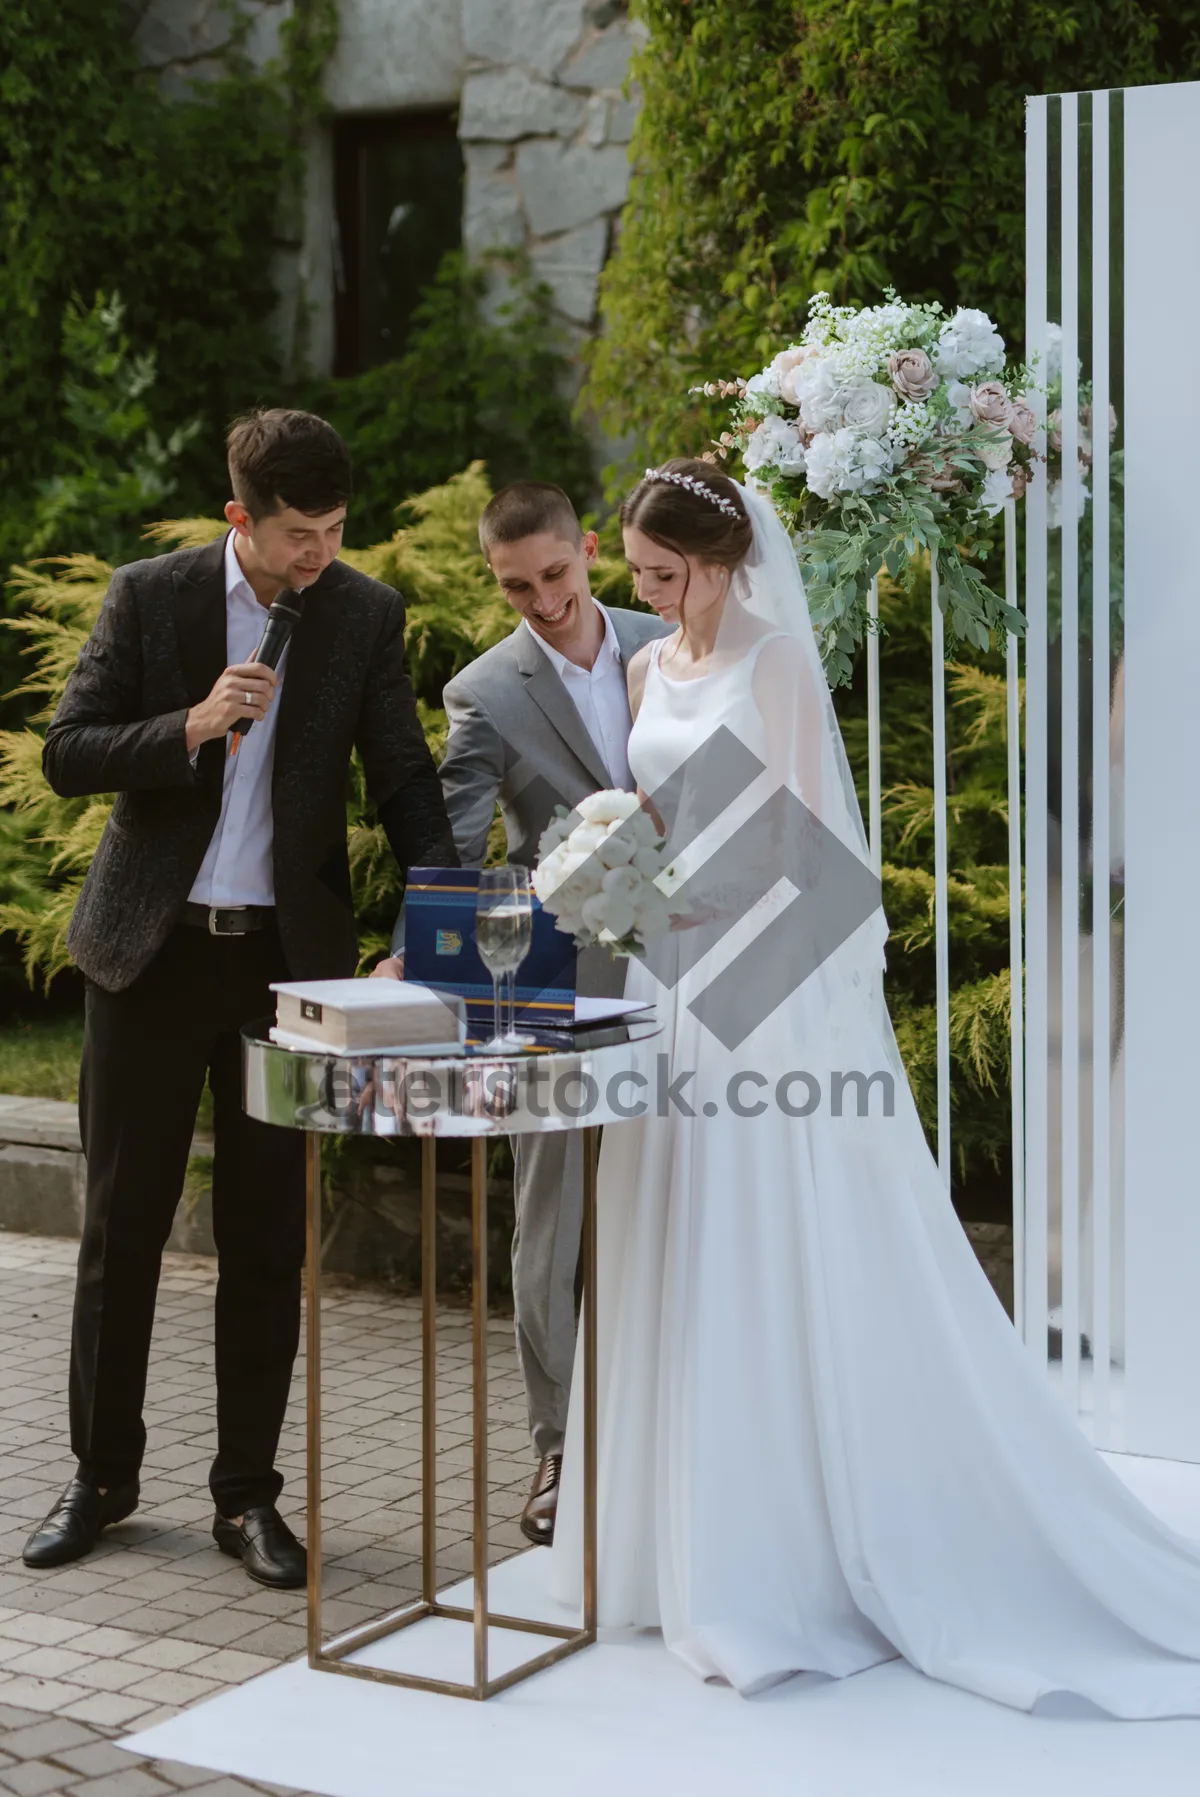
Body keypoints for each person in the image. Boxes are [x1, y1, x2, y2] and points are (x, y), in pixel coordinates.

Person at [550, 459, 1200, 1716]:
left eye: (665, 574)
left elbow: (809, 844)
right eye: (637, 573)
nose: (647, 595)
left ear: (725, 563)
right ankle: (656, 1545)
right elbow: (649, 805)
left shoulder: (774, 665)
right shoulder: (641, 671)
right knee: (665, 1246)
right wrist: (608, 865)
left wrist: (680, 887)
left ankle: (778, 1556)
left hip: (764, 996)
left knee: (759, 1247)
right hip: (669, 995)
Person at [22, 409, 457, 1586]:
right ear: (239, 518)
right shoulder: (149, 596)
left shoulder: (365, 615)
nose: (317, 552)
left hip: (286, 967)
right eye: (296, 532)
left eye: (333, 529)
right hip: (149, 956)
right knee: (122, 1231)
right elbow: (66, 749)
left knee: (268, 1238)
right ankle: (102, 1479)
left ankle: (245, 1500)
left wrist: (445, 918)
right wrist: (191, 725)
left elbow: (404, 773)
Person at [374, 481, 666, 1545]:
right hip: (564, 975)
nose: (541, 600)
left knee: (681, 1192)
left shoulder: (668, 630)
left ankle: (668, 1424)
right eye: (516, 586)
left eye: (555, 575)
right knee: (553, 1213)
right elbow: (454, 835)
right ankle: (556, 1450)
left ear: (587, 552)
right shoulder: (484, 689)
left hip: (693, 964)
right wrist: (425, 937)